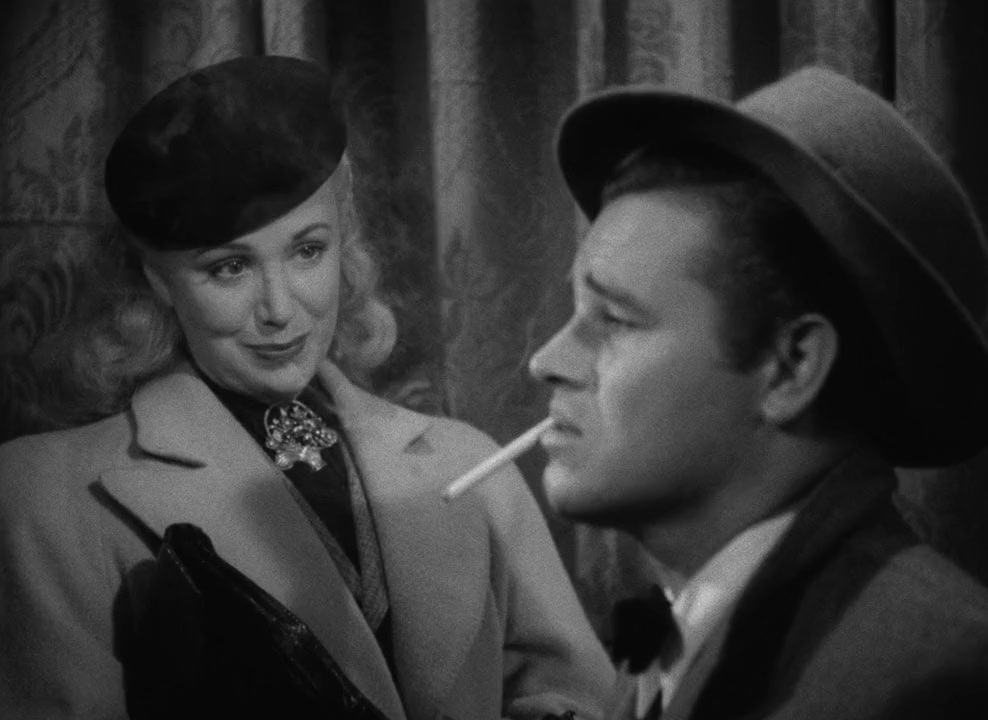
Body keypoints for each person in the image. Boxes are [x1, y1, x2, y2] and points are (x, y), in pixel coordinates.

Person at [0, 56, 615, 720]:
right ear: (159, 283)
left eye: (307, 251)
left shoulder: (471, 464)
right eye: (230, 267)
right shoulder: (44, 495)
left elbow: (582, 699)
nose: (279, 309)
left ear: (344, 247)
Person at [528, 66, 988, 720]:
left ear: (790, 368)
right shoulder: (680, 628)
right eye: (575, 313)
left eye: (616, 320)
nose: (546, 362)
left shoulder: (932, 676)